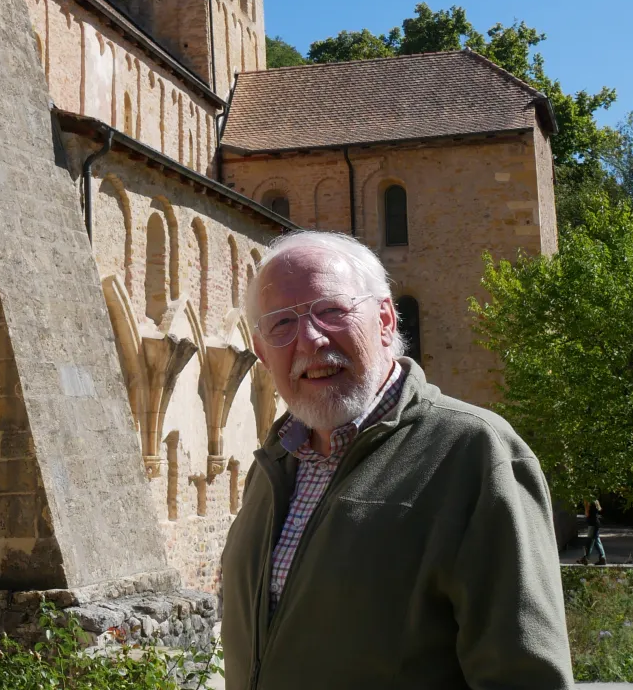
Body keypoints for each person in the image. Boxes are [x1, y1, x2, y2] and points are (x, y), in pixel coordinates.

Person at [220, 231, 573, 690]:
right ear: (263, 352)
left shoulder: (474, 453)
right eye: (282, 324)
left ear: (385, 319)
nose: (309, 339)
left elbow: (526, 680)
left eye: (331, 310)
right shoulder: (272, 466)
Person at [579, 500, 607, 565]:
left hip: (592, 524)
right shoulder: (595, 500)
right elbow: (599, 509)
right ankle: (602, 558)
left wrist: (585, 505)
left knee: (590, 541)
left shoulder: (587, 501)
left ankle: (586, 558)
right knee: (597, 541)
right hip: (595, 523)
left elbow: (587, 514)